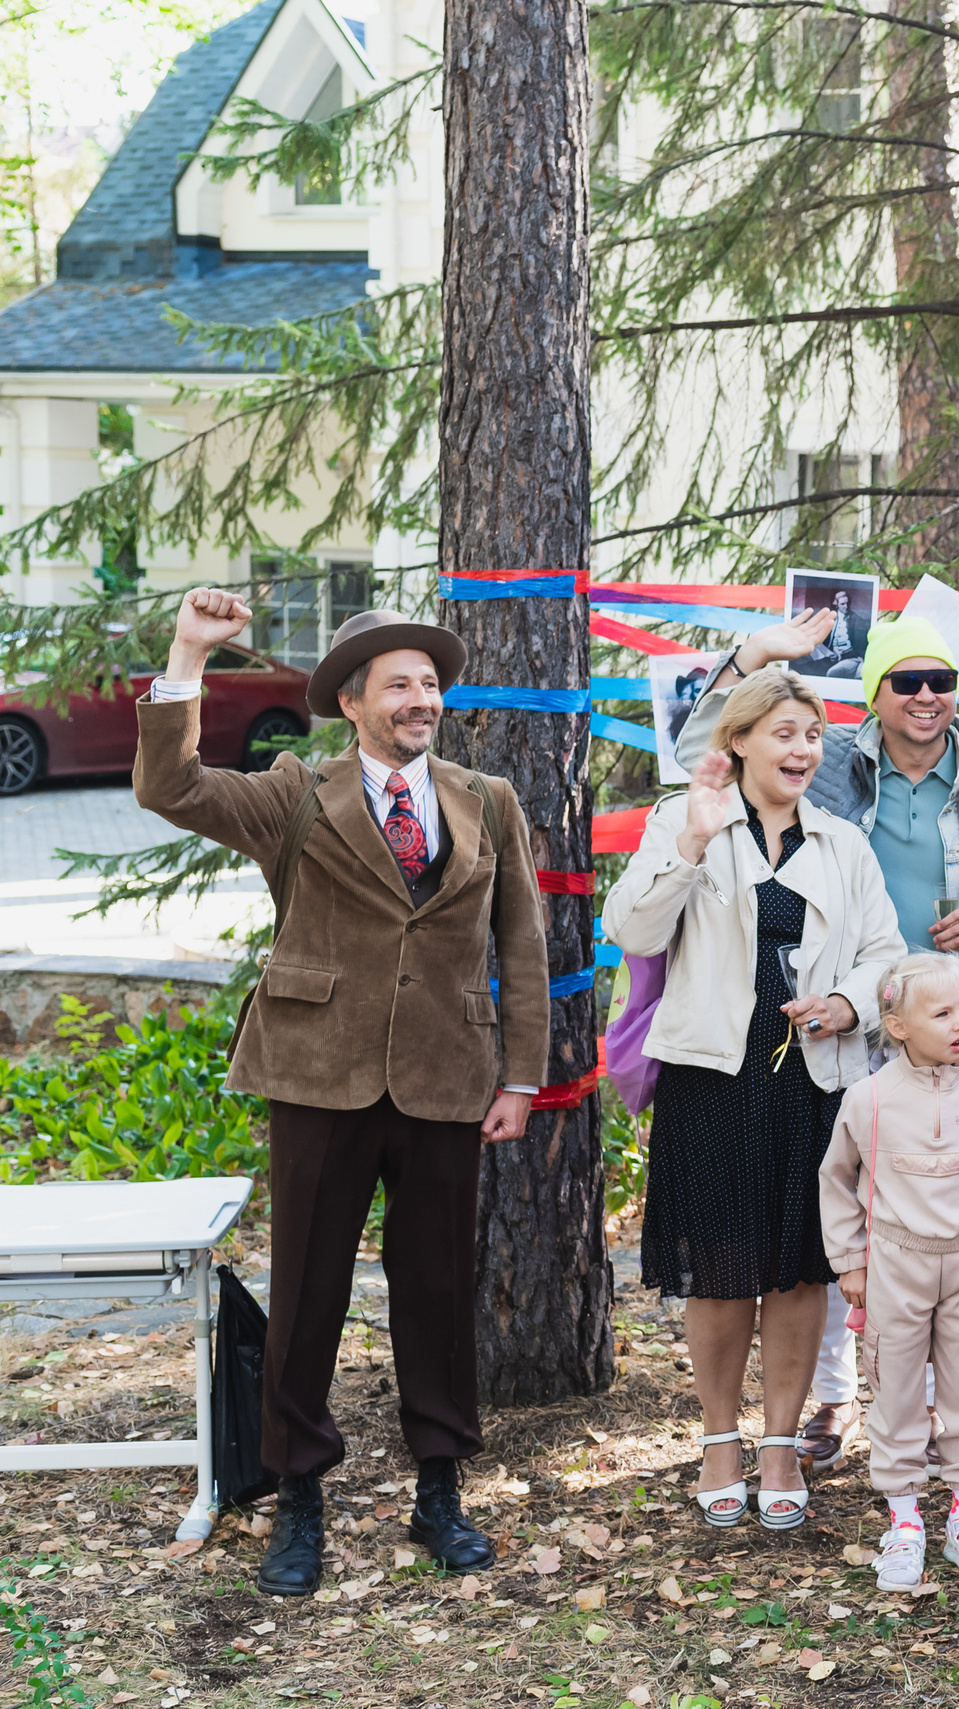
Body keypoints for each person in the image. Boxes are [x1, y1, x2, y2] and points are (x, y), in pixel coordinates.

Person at [133, 592, 548, 1597]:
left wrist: (523, 1074)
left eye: (431, 682)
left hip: (449, 1073)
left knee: (440, 1287)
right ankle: (299, 1493)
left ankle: (440, 1488)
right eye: (400, 683)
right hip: (320, 1071)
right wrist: (190, 650)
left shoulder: (485, 797)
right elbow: (170, 785)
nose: (423, 698)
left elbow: (521, 941)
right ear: (352, 702)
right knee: (309, 1287)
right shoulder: (295, 793)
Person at [680, 600, 959, 1470]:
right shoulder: (831, 765)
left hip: (950, 1020)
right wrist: (752, 655)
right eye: (907, 680)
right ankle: (837, 1401)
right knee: (844, 1207)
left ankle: (923, 1407)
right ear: (875, 694)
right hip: (843, 1017)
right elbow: (712, 747)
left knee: (942, 1203)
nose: (927, 696)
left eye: (942, 681)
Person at [603, 667, 907, 1531]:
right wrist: (691, 844)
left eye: (812, 735)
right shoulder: (685, 817)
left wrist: (847, 1002)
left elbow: (884, 949)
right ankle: (716, 1440)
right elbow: (633, 930)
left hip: (812, 1078)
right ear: (737, 742)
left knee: (802, 1266)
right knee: (724, 1269)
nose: (803, 749)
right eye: (784, 733)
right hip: (712, 1079)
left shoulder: (843, 843)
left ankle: (779, 1442)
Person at [817, 953, 959, 1592]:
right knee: (897, 1387)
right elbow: (837, 1182)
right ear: (897, 1026)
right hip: (895, 1266)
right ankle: (904, 1521)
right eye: (942, 1013)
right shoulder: (869, 1099)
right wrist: (850, 1260)